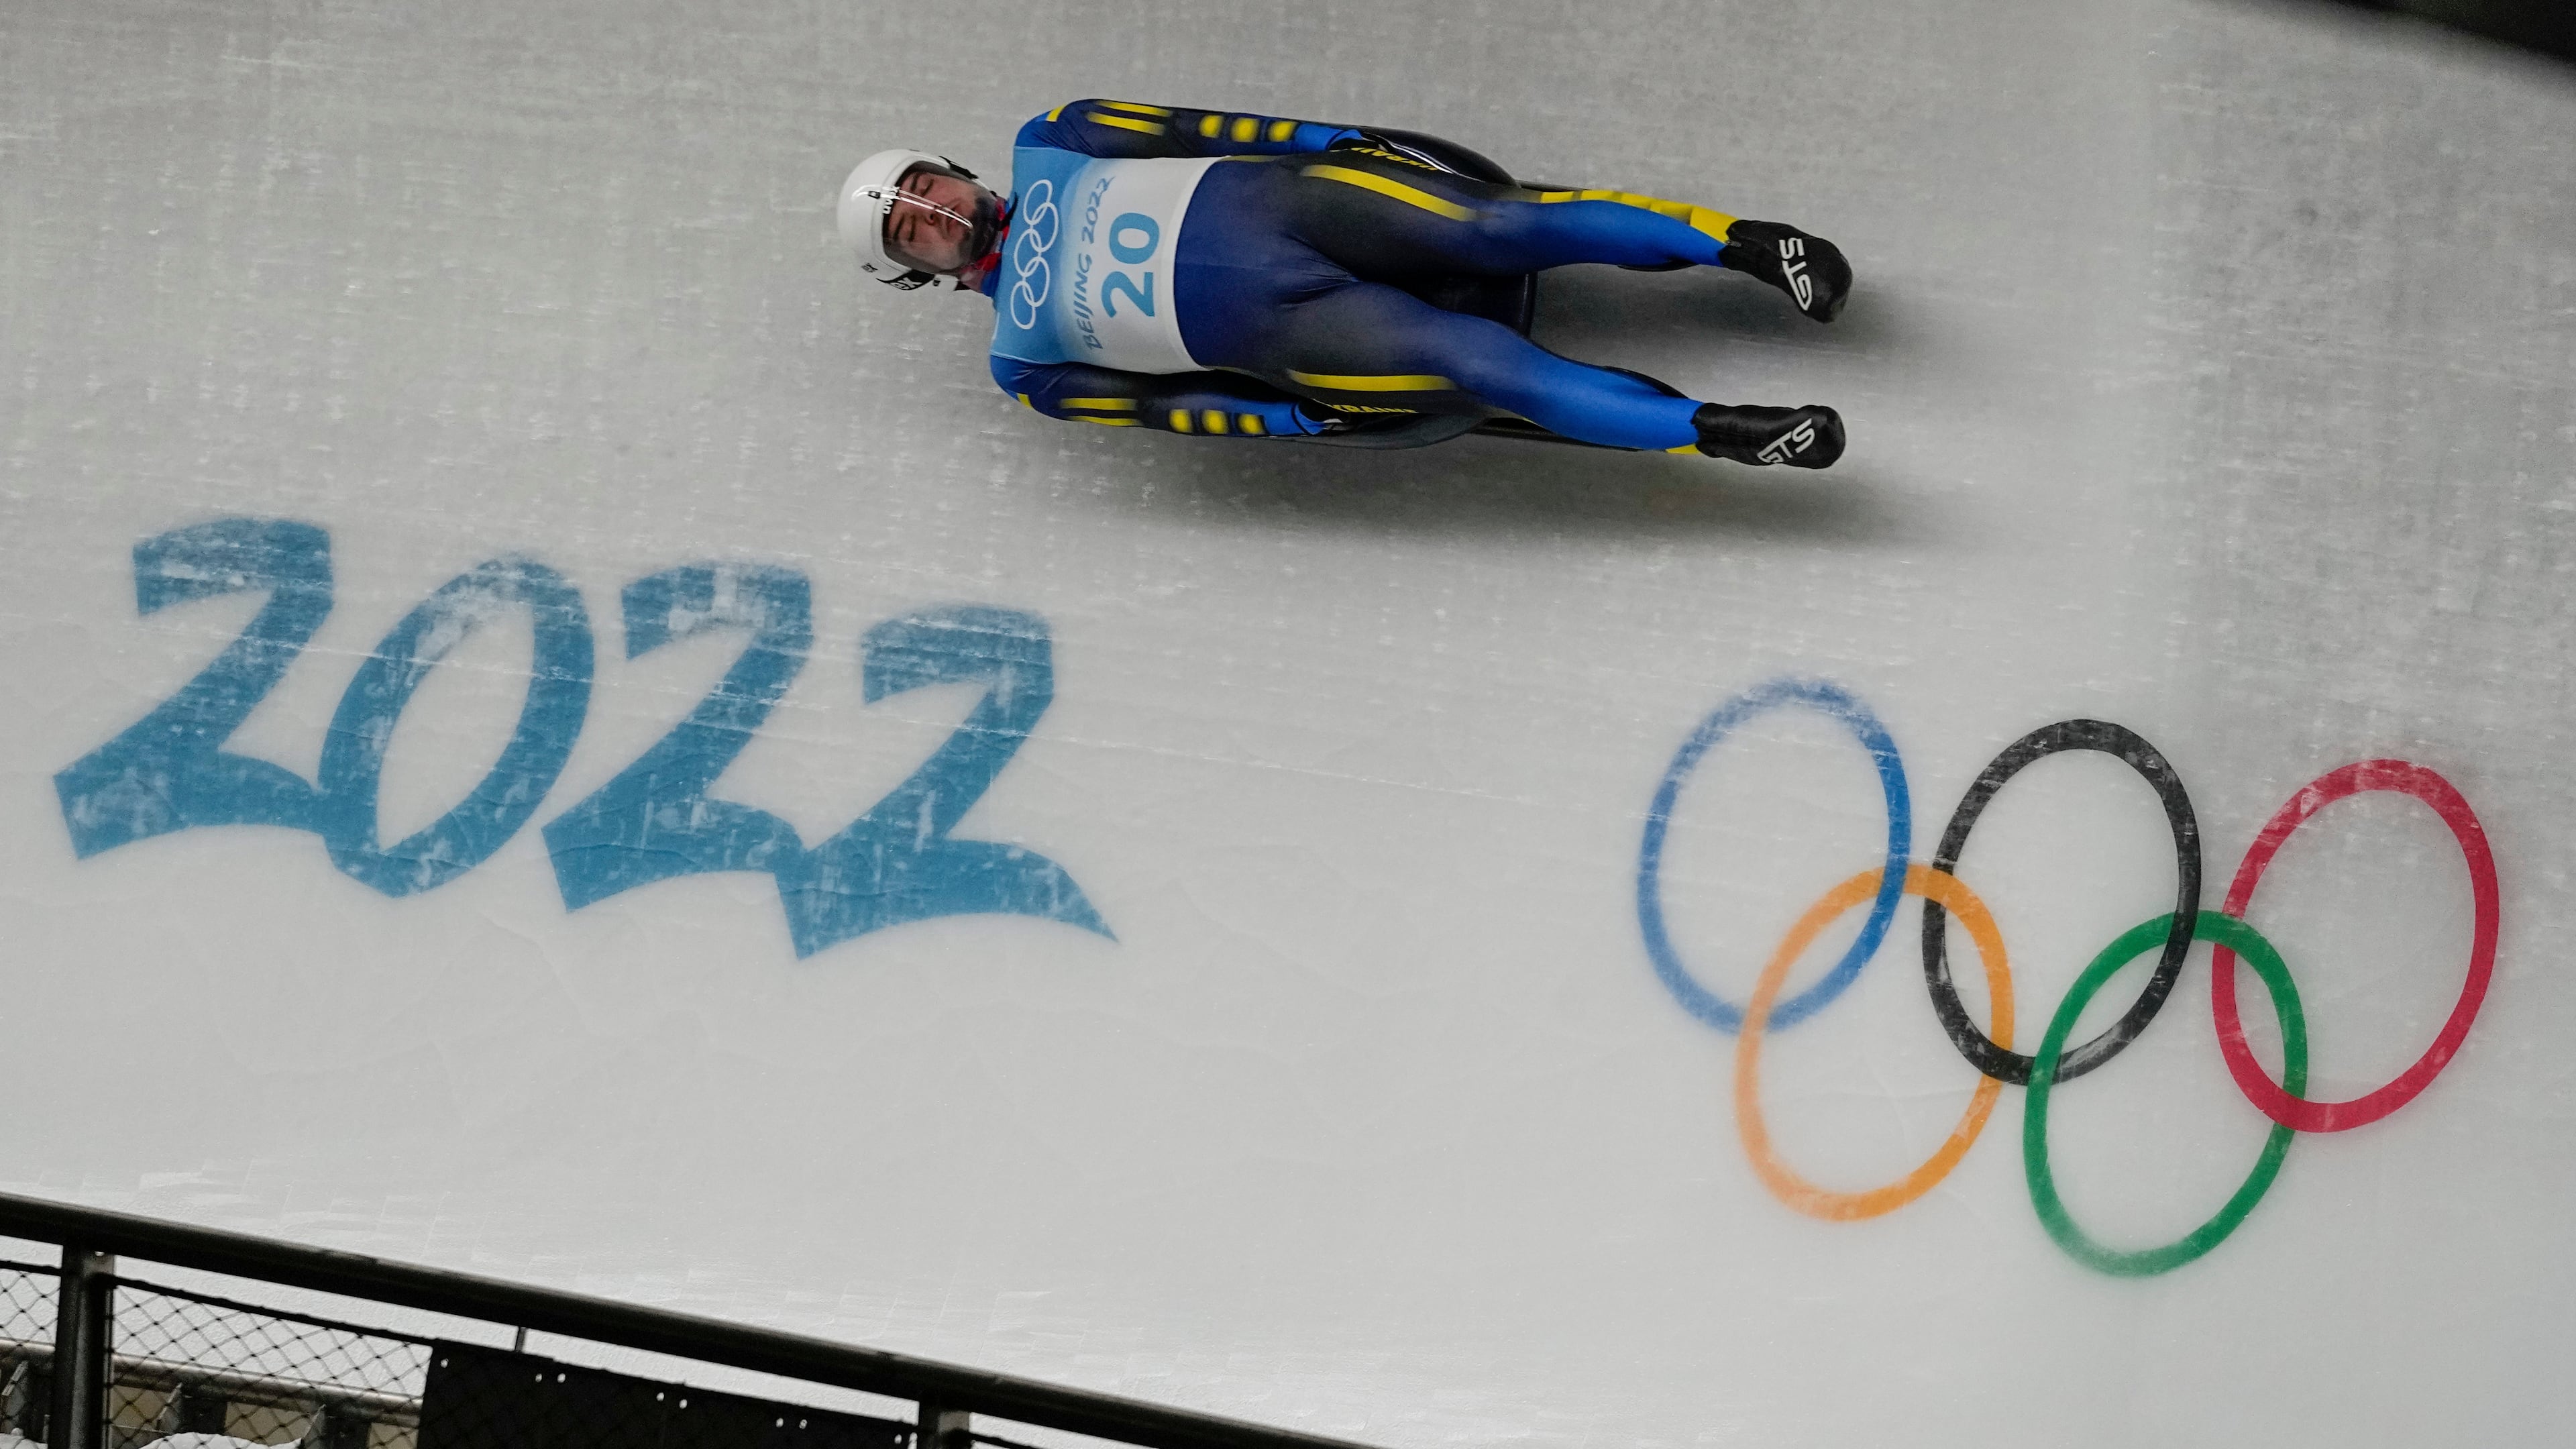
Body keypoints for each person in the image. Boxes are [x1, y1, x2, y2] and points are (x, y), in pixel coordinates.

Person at [837, 101, 1853, 466]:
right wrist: (1294, 425)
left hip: (1302, 203)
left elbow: (1206, 130)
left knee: (1502, 227)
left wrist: (1333, 142)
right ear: (916, 273)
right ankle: (1727, 433)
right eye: (911, 230)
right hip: (1301, 327)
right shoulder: (1025, 362)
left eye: (924, 189)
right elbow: (1168, 411)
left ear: (954, 170)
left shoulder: (1057, 137)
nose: (933, 215)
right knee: (1480, 364)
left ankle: (1752, 245)